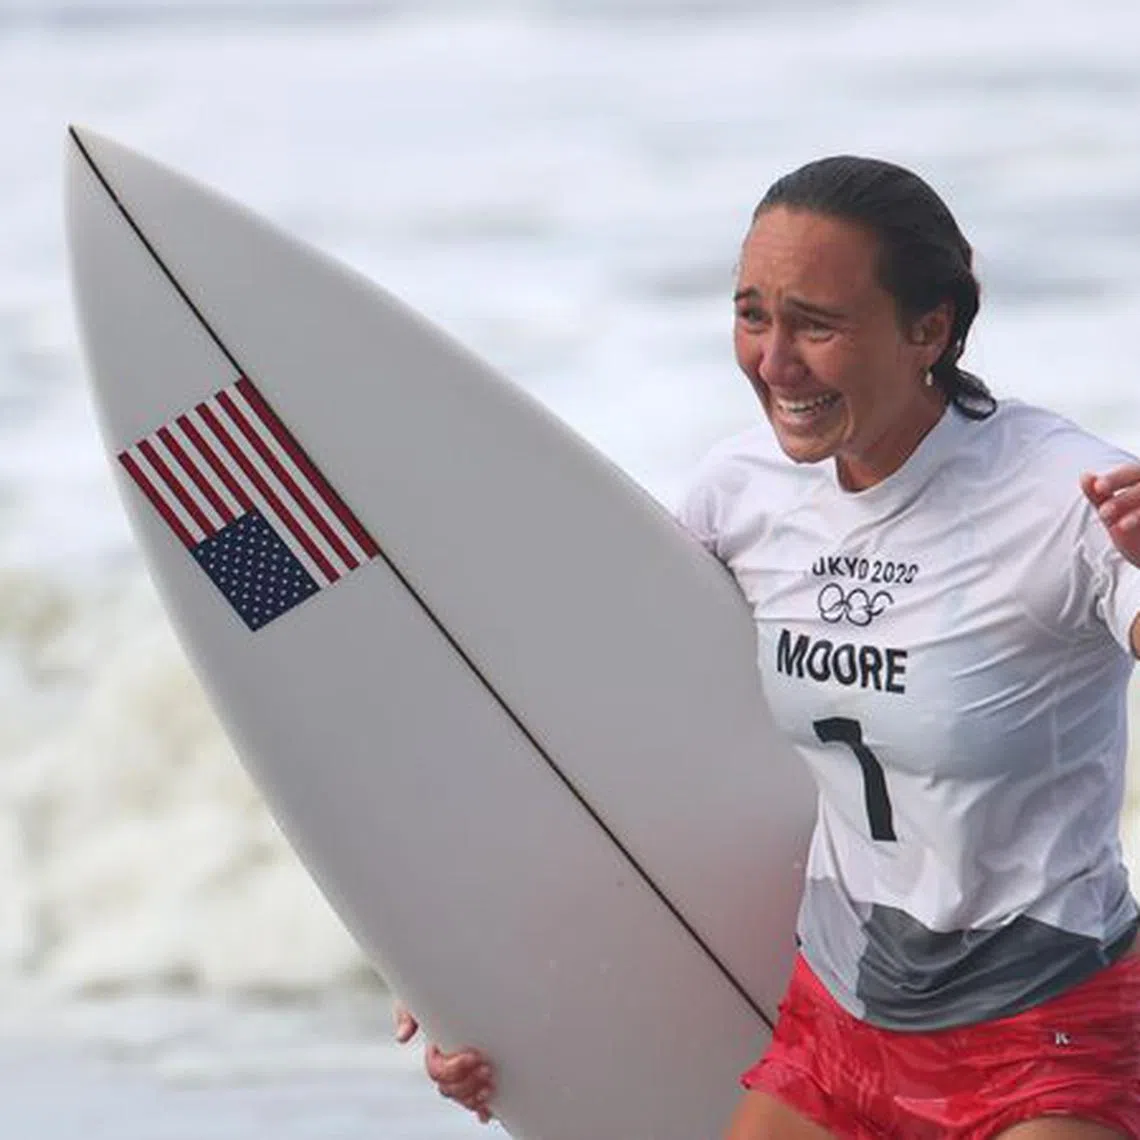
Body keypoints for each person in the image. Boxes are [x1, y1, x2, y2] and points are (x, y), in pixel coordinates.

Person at [394, 156, 1140, 1138]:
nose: (774, 361)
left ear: (933, 327)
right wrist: (468, 972)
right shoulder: (742, 490)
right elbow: (585, 731)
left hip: (1043, 1030)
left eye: (817, 325)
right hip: (839, 1021)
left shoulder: (1069, 499)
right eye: (753, 316)